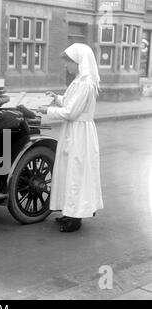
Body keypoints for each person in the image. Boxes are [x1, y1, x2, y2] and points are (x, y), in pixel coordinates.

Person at [38, 43, 103, 232]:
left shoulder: (85, 83)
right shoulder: (79, 81)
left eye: (68, 62)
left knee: (76, 173)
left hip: (79, 133)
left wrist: (47, 110)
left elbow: (71, 112)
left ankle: (75, 218)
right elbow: (69, 103)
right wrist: (57, 97)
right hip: (73, 131)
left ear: (78, 62)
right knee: (69, 171)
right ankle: (69, 211)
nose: (66, 66)